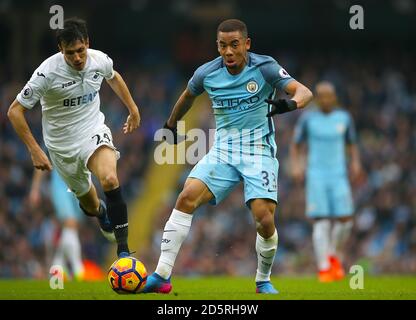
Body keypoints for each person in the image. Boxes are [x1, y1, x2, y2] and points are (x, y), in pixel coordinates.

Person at [143, 19, 313, 294]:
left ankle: (263, 279)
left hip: (258, 151)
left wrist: (289, 104)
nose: (229, 51)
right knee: (186, 196)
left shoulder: (265, 67)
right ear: (217, 46)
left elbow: (305, 91)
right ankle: (161, 276)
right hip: (223, 150)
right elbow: (187, 96)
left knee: (264, 218)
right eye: (223, 45)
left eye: (235, 45)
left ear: (247, 44)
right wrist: (171, 125)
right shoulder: (206, 73)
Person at [7, 17, 141, 258]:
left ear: (87, 43)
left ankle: (123, 250)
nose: (78, 58)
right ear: (61, 50)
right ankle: (100, 212)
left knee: (110, 179)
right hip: (61, 147)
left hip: (92, 131)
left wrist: (133, 108)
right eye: (71, 53)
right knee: (89, 204)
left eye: (81, 50)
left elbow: (114, 76)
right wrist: (34, 149)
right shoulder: (46, 73)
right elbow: (14, 111)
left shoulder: (98, 59)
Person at [290, 81, 362, 282]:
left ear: (334, 97)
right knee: (321, 221)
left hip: (339, 174)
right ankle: (324, 268)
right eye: (321, 96)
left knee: (346, 220)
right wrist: (296, 165)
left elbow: (352, 143)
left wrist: (355, 163)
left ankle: (333, 254)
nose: (325, 99)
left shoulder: (344, 118)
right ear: (316, 98)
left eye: (328, 95)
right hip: (316, 175)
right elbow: (295, 144)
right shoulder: (308, 119)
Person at [29, 169, 85, 280]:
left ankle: (57, 268)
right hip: (61, 184)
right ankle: (78, 269)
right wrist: (35, 189)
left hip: (80, 181)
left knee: (74, 227)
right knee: (70, 223)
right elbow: (41, 161)